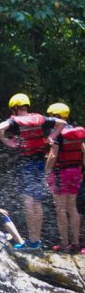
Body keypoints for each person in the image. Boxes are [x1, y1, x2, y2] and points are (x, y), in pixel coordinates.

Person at [0, 93, 65, 249]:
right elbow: (62, 122)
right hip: (40, 163)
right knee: (37, 202)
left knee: (28, 201)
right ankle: (35, 240)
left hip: (26, 164)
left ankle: (31, 242)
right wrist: (51, 137)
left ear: (14, 108)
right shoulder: (40, 119)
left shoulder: (14, 121)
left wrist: (6, 141)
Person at [44, 102, 85, 253]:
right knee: (72, 207)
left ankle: (65, 244)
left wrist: (47, 172)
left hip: (61, 173)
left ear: (57, 116)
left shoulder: (58, 133)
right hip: (75, 172)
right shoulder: (76, 132)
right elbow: (83, 151)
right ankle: (76, 243)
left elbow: (53, 155)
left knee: (60, 209)